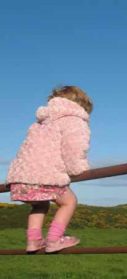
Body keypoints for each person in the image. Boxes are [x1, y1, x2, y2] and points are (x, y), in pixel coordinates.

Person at [6, 85, 93, 253]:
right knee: (69, 201)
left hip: (22, 175)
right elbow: (74, 147)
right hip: (44, 174)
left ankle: (33, 241)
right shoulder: (73, 119)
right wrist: (77, 168)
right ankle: (54, 240)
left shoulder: (41, 122)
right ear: (81, 105)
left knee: (39, 205)